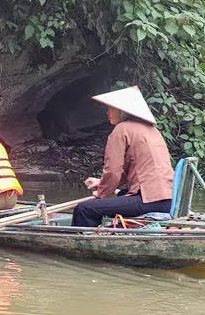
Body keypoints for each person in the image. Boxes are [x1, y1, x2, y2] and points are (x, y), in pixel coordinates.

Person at [72, 86, 174, 228]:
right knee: (122, 195)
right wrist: (101, 183)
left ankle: (83, 245)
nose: (108, 113)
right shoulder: (152, 130)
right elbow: (136, 171)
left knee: (84, 209)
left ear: (122, 111)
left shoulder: (122, 129)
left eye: (111, 109)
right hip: (168, 199)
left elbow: (113, 171)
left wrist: (101, 194)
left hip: (149, 199)